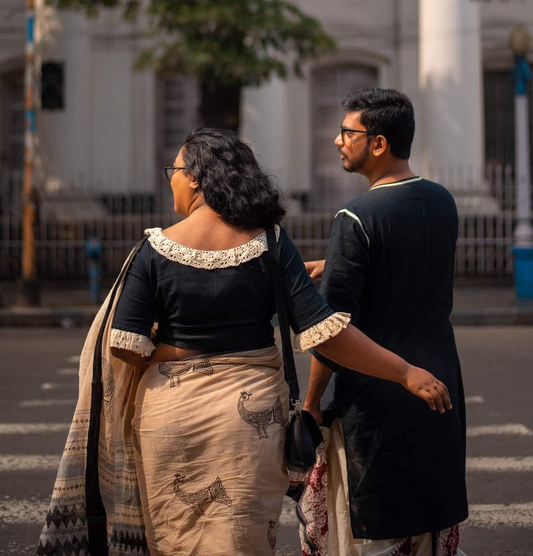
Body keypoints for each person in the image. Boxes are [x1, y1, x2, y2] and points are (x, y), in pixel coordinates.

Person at [38, 127, 452, 556]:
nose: (171, 179)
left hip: (170, 418)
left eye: (175, 170)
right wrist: (404, 372)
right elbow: (324, 331)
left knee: (176, 540)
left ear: (197, 177)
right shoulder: (269, 241)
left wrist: (183, 350)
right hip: (249, 424)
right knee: (242, 538)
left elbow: (125, 344)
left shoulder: (154, 250)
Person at [300, 88, 468, 556]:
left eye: (346, 132)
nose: (338, 141)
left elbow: (331, 334)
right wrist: (333, 262)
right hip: (438, 383)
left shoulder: (356, 216)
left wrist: (312, 402)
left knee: (375, 531)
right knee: (425, 519)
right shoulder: (441, 201)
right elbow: (404, 263)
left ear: (378, 143)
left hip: (374, 398)